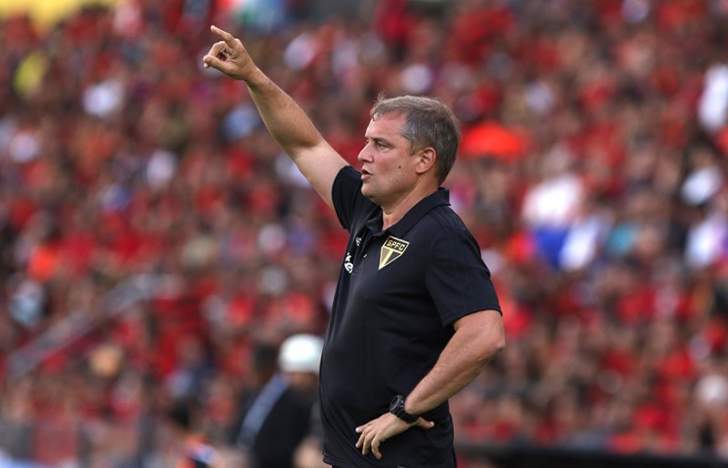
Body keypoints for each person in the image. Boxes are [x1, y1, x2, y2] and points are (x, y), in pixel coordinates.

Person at [203, 25, 506, 468]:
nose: (363, 155)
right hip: (351, 455)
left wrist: (407, 410)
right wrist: (254, 77)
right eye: (366, 141)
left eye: (380, 145)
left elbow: (484, 334)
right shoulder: (369, 211)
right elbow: (305, 144)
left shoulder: (441, 234)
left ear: (424, 160)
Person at [229, 335, 324, 468]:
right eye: (288, 373)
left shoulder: (309, 403)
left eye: (295, 373)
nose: (289, 379)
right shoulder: (274, 396)